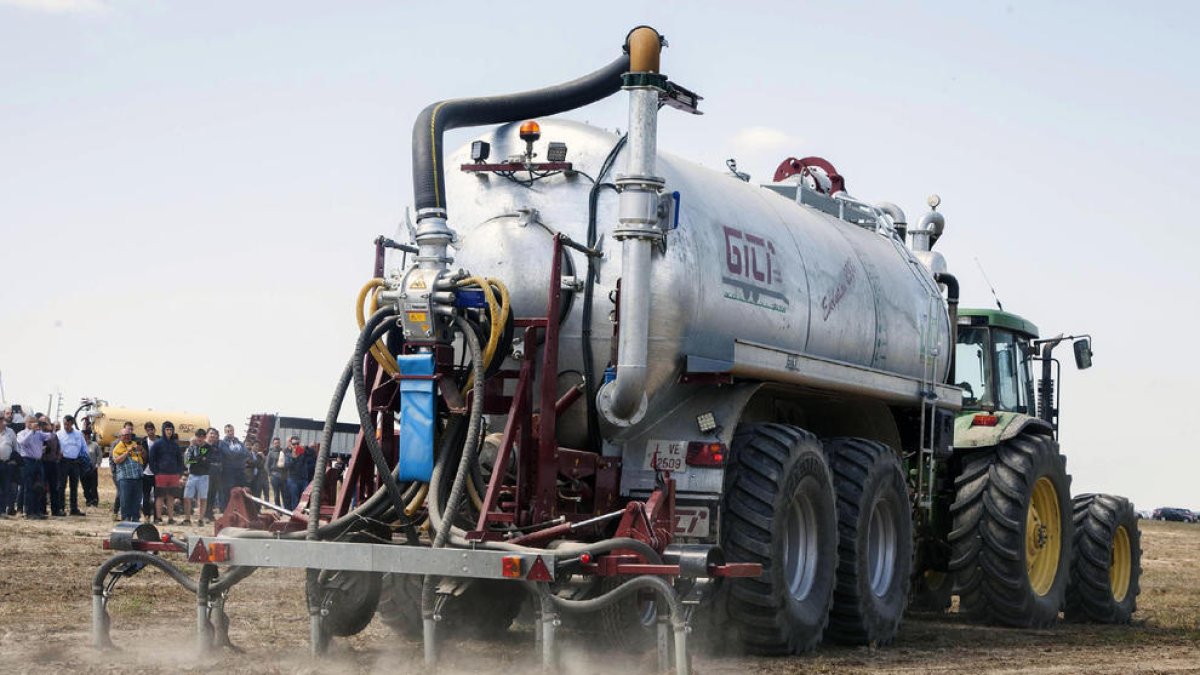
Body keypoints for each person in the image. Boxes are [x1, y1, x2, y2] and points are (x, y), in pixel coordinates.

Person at [16, 417, 54, 519]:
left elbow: (50, 436)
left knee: (39, 487)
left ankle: (37, 511)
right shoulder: (22, 433)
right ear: (26, 423)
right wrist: (31, 431)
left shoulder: (39, 433)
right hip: (27, 461)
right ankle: (28, 512)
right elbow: (23, 442)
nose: (33, 424)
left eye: (34, 423)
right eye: (31, 422)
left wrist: (47, 426)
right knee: (28, 487)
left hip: (38, 462)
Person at [149, 421, 184, 524]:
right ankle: (158, 518)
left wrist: (179, 472)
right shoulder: (157, 443)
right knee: (160, 497)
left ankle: (171, 518)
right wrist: (156, 472)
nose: (169, 432)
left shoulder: (175, 445)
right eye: (167, 429)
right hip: (161, 474)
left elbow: (180, 460)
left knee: (171, 497)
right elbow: (151, 459)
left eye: (171, 430)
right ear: (163, 430)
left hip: (173, 475)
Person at [55, 414, 90, 516]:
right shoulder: (59, 434)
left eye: (68, 424)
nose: (66, 426)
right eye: (64, 424)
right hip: (63, 462)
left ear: (72, 424)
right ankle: (61, 507)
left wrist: (85, 459)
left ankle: (73, 508)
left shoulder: (78, 435)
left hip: (75, 462)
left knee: (74, 486)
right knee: (61, 486)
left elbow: (84, 448)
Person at [111, 427, 146, 522]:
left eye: (129, 435)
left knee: (137, 498)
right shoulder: (117, 448)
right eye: (125, 435)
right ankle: (126, 517)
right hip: (125, 478)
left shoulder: (135, 444)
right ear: (120, 437)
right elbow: (117, 460)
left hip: (137, 477)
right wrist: (127, 452)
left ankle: (135, 517)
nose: (127, 437)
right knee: (125, 499)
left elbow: (142, 458)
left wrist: (142, 451)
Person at [182, 429, 211, 525]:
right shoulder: (192, 447)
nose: (200, 438)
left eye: (202, 436)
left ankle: (201, 519)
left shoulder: (208, 448)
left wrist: (196, 459)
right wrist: (200, 459)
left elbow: (207, 462)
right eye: (198, 436)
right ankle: (187, 519)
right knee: (186, 497)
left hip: (204, 475)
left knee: (203, 498)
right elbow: (187, 461)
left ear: (204, 437)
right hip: (192, 474)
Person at [219, 424, 249, 510]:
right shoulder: (223, 443)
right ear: (225, 432)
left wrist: (235, 454)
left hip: (240, 470)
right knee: (228, 491)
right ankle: (226, 509)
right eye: (228, 431)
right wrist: (239, 454)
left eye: (231, 430)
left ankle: (239, 509)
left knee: (241, 490)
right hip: (228, 471)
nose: (230, 433)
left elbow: (246, 453)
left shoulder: (239, 442)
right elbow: (228, 454)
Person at [39, 416, 64, 517]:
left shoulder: (54, 435)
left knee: (54, 487)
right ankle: (42, 510)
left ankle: (56, 510)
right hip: (42, 463)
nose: (44, 425)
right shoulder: (39, 435)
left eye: (46, 423)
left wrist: (57, 459)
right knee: (42, 488)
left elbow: (58, 448)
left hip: (53, 464)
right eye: (42, 423)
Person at [111, 421, 136, 520]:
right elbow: (112, 459)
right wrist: (114, 472)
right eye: (128, 429)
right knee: (121, 492)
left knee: (127, 493)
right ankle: (116, 512)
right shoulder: (116, 444)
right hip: (118, 473)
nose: (129, 432)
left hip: (130, 474)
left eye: (131, 430)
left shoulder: (133, 443)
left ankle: (125, 514)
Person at [202, 428, 224, 520]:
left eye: (214, 434)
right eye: (211, 433)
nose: (213, 435)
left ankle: (209, 513)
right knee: (206, 493)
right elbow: (202, 459)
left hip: (216, 472)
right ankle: (204, 513)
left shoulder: (216, 447)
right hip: (207, 472)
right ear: (207, 435)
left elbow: (220, 459)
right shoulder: (203, 447)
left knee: (213, 493)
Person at [140, 422, 159, 521]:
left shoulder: (159, 441)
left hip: (157, 472)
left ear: (155, 430)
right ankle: (146, 516)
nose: (150, 432)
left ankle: (156, 516)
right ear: (146, 431)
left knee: (157, 496)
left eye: (152, 429)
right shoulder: (143, 441)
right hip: (146, 471)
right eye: (148, 430)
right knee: (146, 496)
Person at [0, 416, 18, 517]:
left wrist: (15, 460)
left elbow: (16, 447)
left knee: (5, 488)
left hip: (6, 464)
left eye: (1, 419)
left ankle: (2, 511)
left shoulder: (10, 432)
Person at [83, 430, 102, 508]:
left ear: (87, 435)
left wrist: (97, 464)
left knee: (94, 486)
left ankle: (95, 501)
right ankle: (88, 500)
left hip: (93, 469)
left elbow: (99, 455)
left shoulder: (95, 445)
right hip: (84, 469)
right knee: (85, 486)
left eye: (84, 435)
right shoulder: (81, 445)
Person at [266, 437, 286, 507]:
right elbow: (267, 465)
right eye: (275, 443)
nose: (277, 444)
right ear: (273, 444)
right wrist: (270, 475)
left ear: (280, 443)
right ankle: (278, 509)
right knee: (276, 494)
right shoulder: (271, 453)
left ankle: (285, 509)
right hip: (274, 476)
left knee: (284, 493)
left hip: (283, 476)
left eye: (278, 443)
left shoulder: (283, 451)